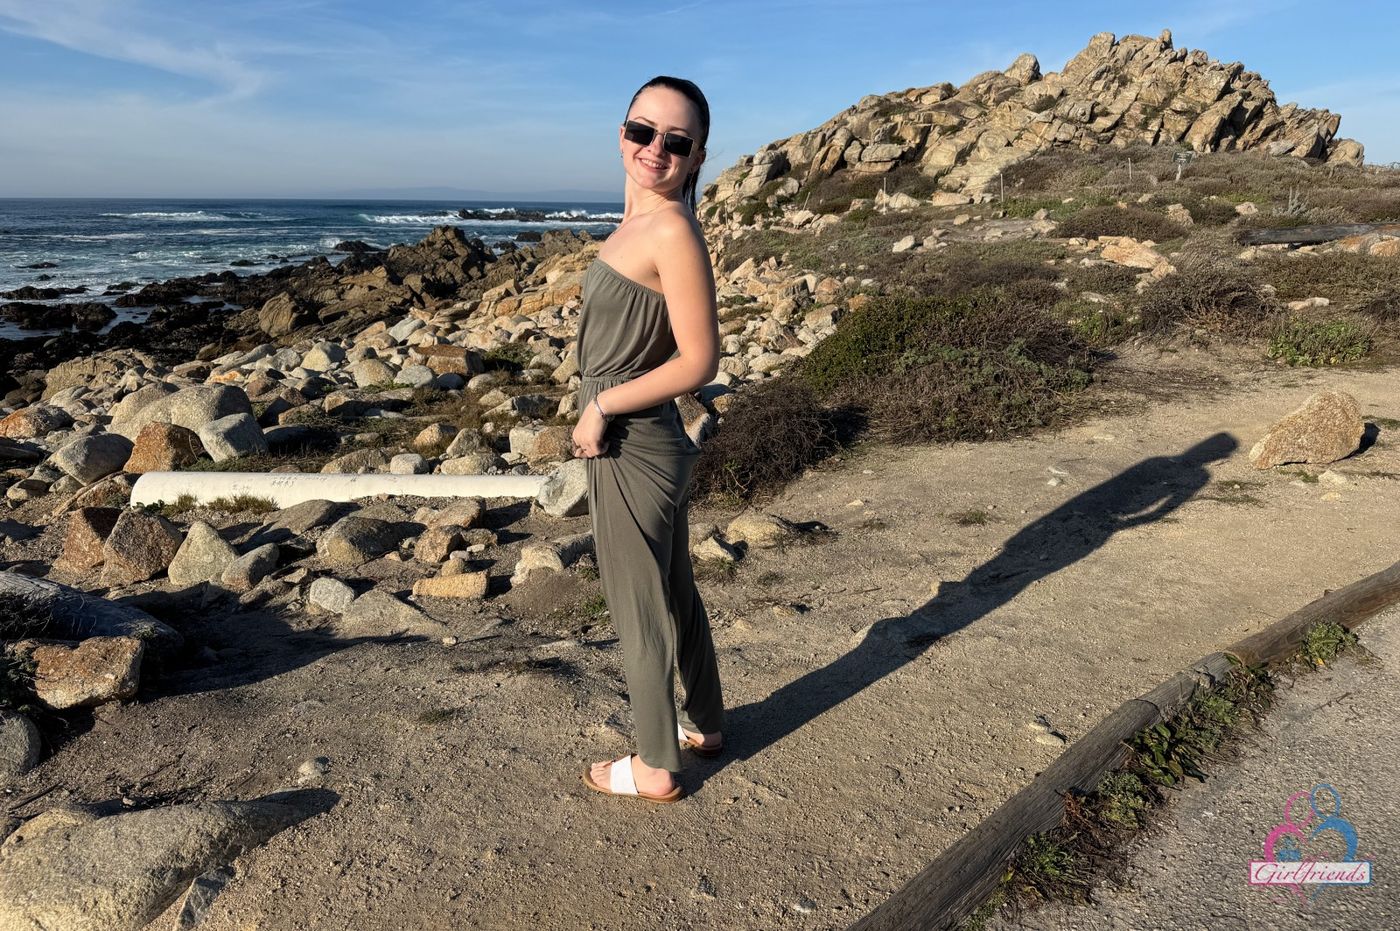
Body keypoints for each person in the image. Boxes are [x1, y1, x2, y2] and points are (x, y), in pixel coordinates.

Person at [574, 75, 726, 804]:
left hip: (631, 443)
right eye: (642, 130)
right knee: (671, 588)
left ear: (697, 157)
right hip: (640, 439)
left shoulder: (669, 228)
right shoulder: (636, 226)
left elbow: (700, 361)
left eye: (676, 140)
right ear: (622, 133)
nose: (655, 148)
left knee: (638, 603)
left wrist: (600, 405)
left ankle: (657, 764)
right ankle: (708, 722)